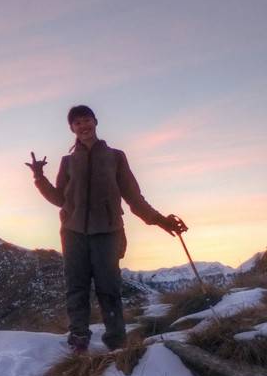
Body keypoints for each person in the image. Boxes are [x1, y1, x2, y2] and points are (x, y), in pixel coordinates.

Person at [26, 105, 187, 353]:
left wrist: (160, 220)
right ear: (72, 128)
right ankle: (79, 338)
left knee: (109, 288)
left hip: (108, 232)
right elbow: (60, 199)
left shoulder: (115, 157)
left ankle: (116, 342)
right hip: (73, 233)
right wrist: (39, 178)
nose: (83, 126)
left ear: (95, 122)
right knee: (76, 287)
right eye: (77, 122)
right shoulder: (67, 162)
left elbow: (134, 197)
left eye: (87, 120)